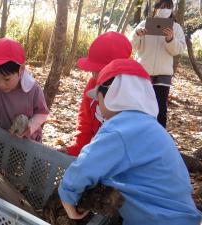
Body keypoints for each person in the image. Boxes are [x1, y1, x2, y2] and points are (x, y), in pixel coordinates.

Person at [58, 58, 202, 225]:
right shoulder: (152, 128)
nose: (98, 104)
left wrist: (67, 196)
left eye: (98, 98)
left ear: (111, 94)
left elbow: (85, 165)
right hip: (181, 217)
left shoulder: (120, 128)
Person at [63, 32, 132, 156]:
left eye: (98, 70)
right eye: (92, 70)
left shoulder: (132, 93)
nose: (94, 75)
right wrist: (79, 148)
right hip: (93, 152)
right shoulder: (93, 83)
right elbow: (85, 119)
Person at [129, 0, 186, 128]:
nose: (165, 9)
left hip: (163, 75)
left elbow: (178, 50)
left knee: (160, 109)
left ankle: (159, 138)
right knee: (139, 107)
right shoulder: (144, 24)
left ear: (172, 9)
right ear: (156, 8)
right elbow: (132, 46)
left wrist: (170, 39)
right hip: (143, 74)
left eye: (168, 7)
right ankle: (137, 133)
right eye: (162, 6)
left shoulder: (176, 27)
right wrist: (137, 34)